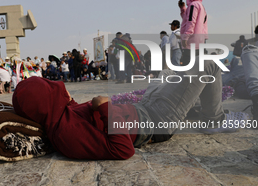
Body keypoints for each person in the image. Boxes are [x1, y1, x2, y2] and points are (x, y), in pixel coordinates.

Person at [12, 58, 249, 160]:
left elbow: (78, 111)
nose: (60, 89)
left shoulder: (60, 116)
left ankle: (194, 106)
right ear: (46, 104)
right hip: (157, 120)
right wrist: (105, 109)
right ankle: (213, 119)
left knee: (166, 73)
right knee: (208, 65)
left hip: (144, 108)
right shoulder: (68, 136)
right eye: (53, 90)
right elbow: (123, 150)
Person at [179, 0, 208, 66]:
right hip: (200, 40)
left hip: (191, 40)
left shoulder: (193, 5)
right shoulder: (201, 6)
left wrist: (185, 37)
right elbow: (189, 19)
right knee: (198, 66)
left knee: (187, 66)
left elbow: (191, 22)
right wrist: (183, 8)